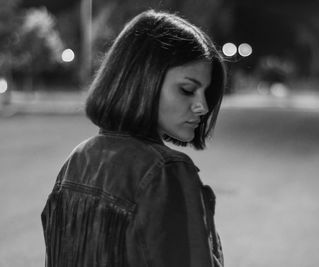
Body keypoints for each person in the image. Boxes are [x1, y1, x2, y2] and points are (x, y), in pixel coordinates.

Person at [41, 9, 226, 267]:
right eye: (187, 90)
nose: (202, 107)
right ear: (142, 79)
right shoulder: (165, 172)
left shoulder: (76, 162)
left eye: (206, 93)